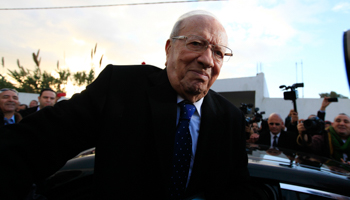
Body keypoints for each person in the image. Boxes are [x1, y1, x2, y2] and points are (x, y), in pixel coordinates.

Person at [0, 11, 251, 199]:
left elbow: (237, 188)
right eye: (196, 43)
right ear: (169, 48)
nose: (207, 60)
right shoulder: (119, 86)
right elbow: (33, 146)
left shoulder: (230, 118)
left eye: (218, 52)